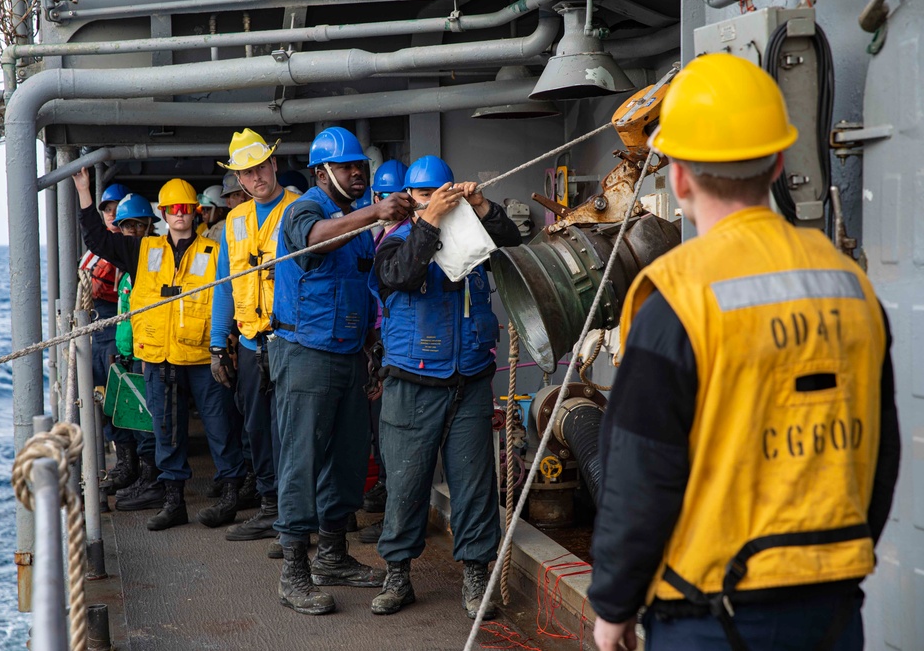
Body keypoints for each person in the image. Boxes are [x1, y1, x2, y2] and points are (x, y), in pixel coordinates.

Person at [587, 53, 900, 651]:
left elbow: (639, 477)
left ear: (677, 179)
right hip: (833, 612)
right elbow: (880, 455)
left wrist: (614, 606)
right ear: (778, 162)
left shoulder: (674, 301)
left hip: (710, 619)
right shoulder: (852, 288)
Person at [369, 155, 521, 618]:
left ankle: (476, 578)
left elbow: (515, 249)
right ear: (409, 199)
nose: (434, 200)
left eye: (442, 191)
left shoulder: (474, 238)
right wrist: (429, 222)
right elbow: (401, 276)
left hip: (470, 380)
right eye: (423, 194)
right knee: (406, 483)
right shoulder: (393, 244)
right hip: (412, 384)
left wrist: (484, 206)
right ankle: (398, 576)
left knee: (475, 485)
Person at [270, 126, 412, 615]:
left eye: (361, 167)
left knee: (349, 459)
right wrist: (376, 211)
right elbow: (312, 243)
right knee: (301, 460)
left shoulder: (355, 224)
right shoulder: (303, 210)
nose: (357, 173)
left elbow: (365, 290)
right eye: (348, 166)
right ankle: (293, 572)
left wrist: (372, 350)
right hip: (305, 354)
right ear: (322, 171)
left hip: (351, 355)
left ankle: (331, 557)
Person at [74, 169, 249, 532]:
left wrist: (228, 344)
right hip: (158, 355)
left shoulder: (215, 252)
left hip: (203, 356)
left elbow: (232, 297)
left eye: (186, 207)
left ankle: (231, 494)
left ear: (195, 212)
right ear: (165, 215)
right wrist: (84, 193)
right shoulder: (143, 249)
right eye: (173, 208)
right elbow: (97, 240)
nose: (180, 213)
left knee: (220, 425)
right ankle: (173, 501)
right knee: (166, 428)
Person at [209, 129, 302, 547]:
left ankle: (297, 514)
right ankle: (270, 509)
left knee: (295, 430)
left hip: (292, 341)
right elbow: (224, 285)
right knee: (257, 428)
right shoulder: (234, 221)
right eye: (246, 173)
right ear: (239, 180)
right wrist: (217, 345)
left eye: (261, 166)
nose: (256, 177)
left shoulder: (301, 209)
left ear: (274, 164)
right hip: (249, 343)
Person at [357, 158, 409, 546]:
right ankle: (387, 494)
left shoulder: (409, 236)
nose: (387, 202)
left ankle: (396, 508)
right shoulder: (373, 235)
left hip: (397, 344)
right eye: (380, 196)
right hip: (376, 342)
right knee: (379, 429)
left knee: (395, 434)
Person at [79, 182, 138, 495]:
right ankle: (125, 461)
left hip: (118, 330)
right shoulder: (96, 249)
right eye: (107, 207)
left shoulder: (123, 248)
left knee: (122, 399)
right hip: (98, 329)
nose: (112, 212)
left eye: (117, 207)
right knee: (103, 400)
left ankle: (131, 465)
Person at [108, 193, 161, 502]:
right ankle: (142, 476)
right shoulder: (129, 267)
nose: (132, 232)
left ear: (149, 227)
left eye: (138, 226)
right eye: (126, 226)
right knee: (133, 420)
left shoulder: (150, 262)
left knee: (147, 425)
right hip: (130, 354)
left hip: (145, 354)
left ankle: (152, 483)